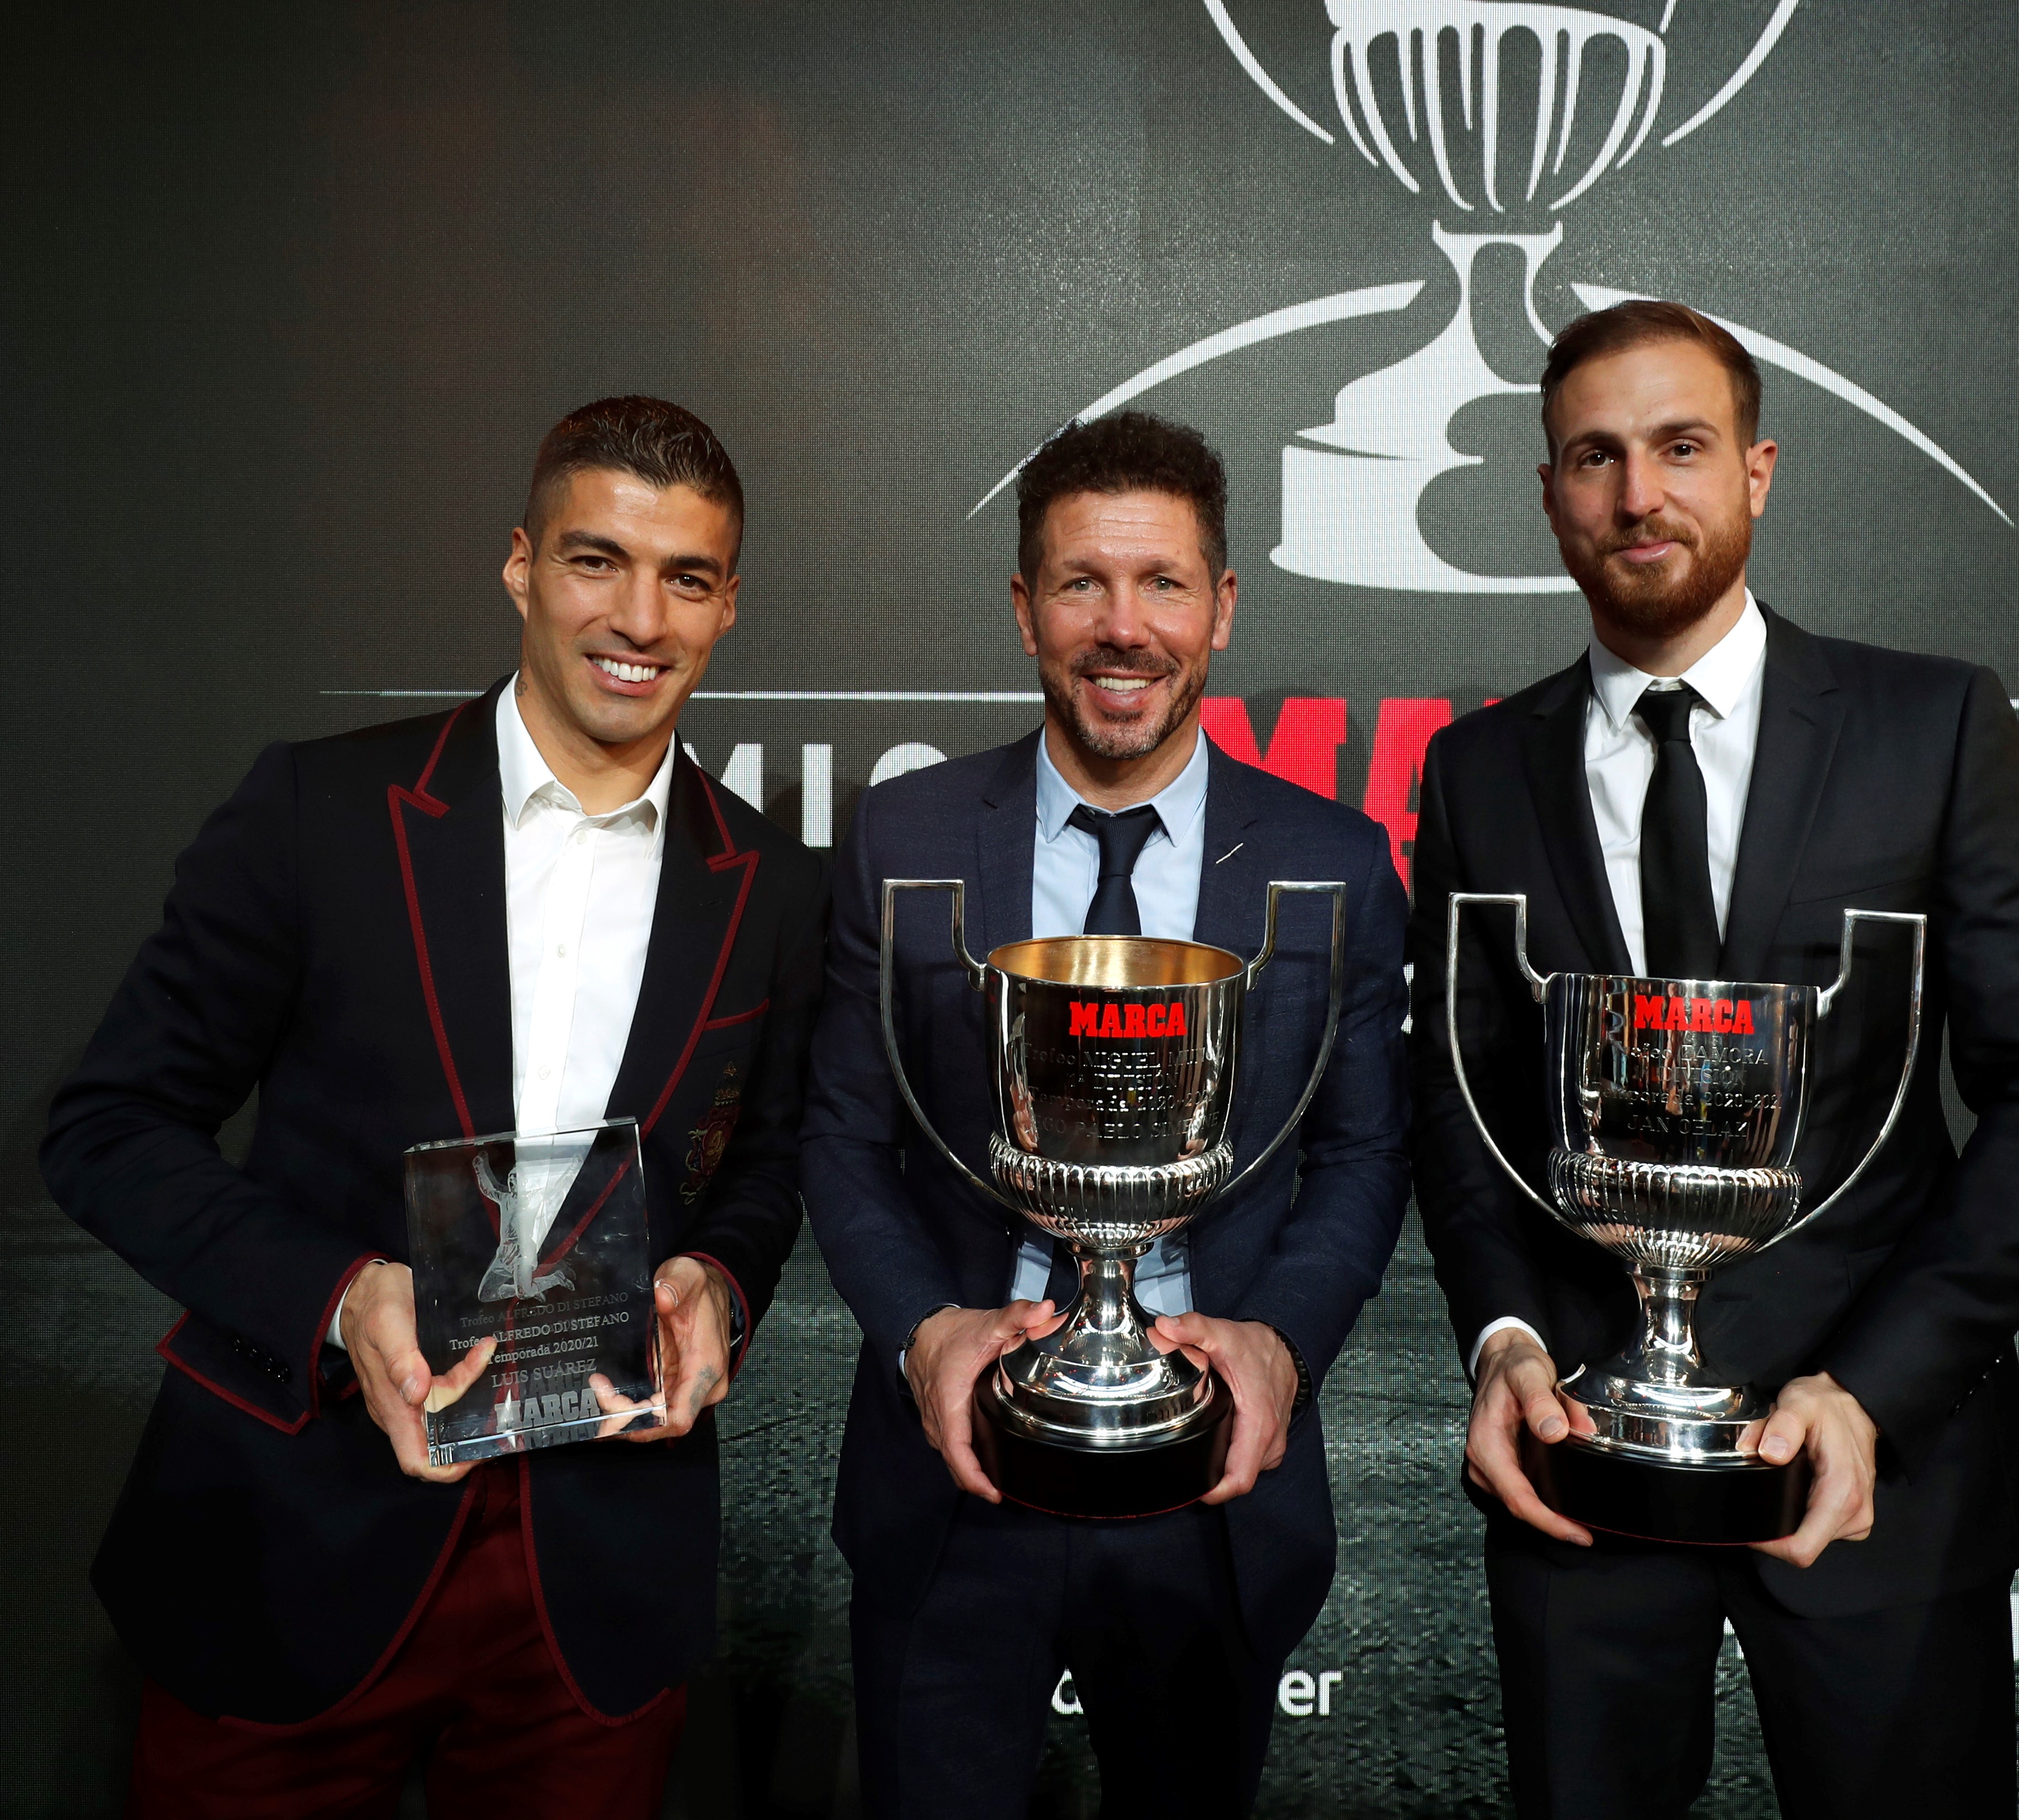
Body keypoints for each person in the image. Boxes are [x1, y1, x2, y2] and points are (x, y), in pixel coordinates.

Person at [41, 396, 826, 1818]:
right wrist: (342, 1295)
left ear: (728, 607)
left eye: (686, 578)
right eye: (595, 561)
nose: (638, 618)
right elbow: (108, 1129)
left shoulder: (770, 884)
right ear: (521, 565)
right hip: (296, 1530)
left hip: (596, 1573)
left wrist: (720, 1280)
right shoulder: (321, 811)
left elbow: (764, 1164)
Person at [1407, 301, 2019, 1819]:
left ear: (1756, 470)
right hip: (1580, 1467)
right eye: (1594, 457)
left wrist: (1872, 1389)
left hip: (1880, 1470)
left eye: (1680, 447)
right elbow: (1462, 1112)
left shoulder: (1929, 725)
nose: (1636, 495)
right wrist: (1504, 1343)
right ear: (1546, 493)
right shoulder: (1475, 771)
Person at [800, 411, 1409, 1818]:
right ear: (1025, 609)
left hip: (1215, 1478)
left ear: (1222, 608)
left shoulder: (1331, 860)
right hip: (956, 1468)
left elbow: (1364, 1151)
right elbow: (841, 1137)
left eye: (1162, 584)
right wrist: (925, 1334)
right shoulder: (903, 840)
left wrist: (1278, 1349)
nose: (1122, 628)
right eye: (1082, 583)